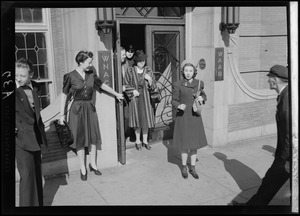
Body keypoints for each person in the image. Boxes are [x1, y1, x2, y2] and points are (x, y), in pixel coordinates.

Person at [59, 50, 123, 181]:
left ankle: (93, 164)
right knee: (80, 139)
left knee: (93, 137)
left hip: (90, 108)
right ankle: (83, 167)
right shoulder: (70, 76)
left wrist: (116, 94)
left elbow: (102, 85)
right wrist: (61, 115)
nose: (91, 64)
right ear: (80, 62)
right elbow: (64, 96)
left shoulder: (91, 74)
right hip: (76, 110)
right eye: (89, 62)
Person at [232, 65, 290, 206]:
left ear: (275, 80)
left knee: (269, 184)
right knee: (269, 185)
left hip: (286, 156)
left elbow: (290, 132)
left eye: (269, 78)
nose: (268, 81)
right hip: (285, 154)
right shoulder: (285, 94)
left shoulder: (286, 99)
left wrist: (287, 159)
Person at [15, 58, 48, 206]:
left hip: (35, 137)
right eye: (16, 75)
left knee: (36, 175)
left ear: (31, 75)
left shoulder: (35, 87)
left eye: (22, 75)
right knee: (27, 178)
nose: (18, 78)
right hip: (21, 139)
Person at [171, 59, 208, 179]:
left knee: (194, 145)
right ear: (183, 71)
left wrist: (201, 98)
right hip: (183, 117)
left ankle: (192, 167)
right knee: (184, 145)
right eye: (186, 70)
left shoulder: (199, 83)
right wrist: (178, 105)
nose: (188, 73)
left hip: (194, 117)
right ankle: (183, 167)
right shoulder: (178, 84)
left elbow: (204, 95)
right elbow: (174, 100)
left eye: (190, 70)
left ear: (194, 72)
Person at [123, 50, 156, 151]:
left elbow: (154, 87)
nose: (142, 62)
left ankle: (145, 141)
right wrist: (132, 91)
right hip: (135, 99)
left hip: (146, 99)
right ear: (136, 61)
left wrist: (150, 80)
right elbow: (125, 84)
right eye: (140, 60)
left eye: (143, 60)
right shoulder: (130, 70)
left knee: (145, 120)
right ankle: (138, 141)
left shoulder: (149, 70)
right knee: (137, 120)